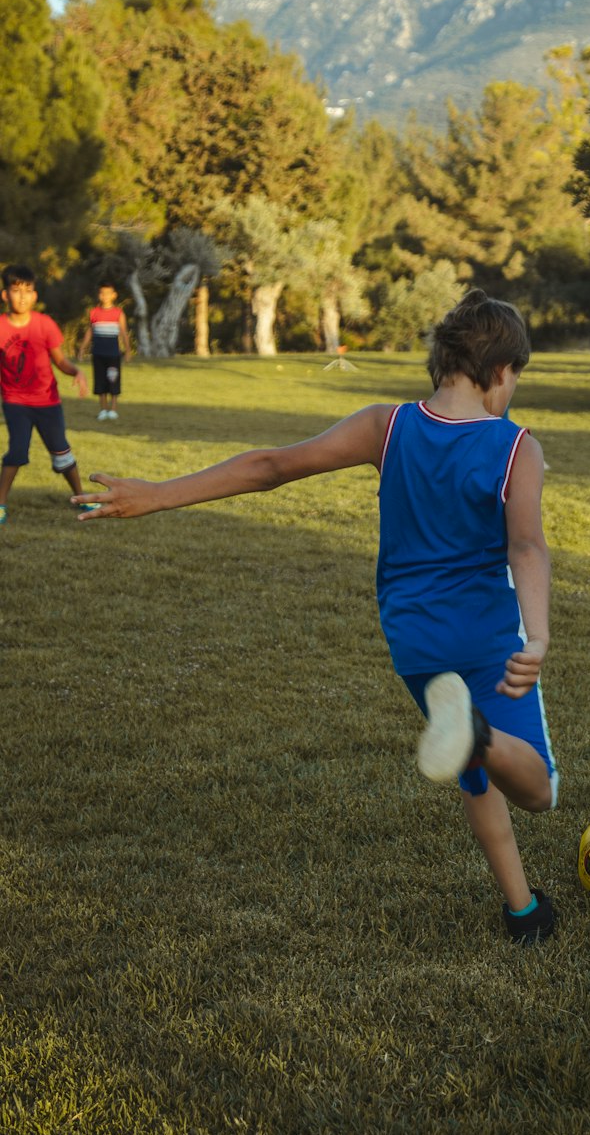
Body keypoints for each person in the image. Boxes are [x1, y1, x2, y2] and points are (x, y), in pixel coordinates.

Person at [75, 289, 559, 944]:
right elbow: (525, 545)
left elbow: (270, 466)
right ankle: (476, 739)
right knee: (534, 790)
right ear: (501, 370)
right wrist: (538, 632)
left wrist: (159, 494)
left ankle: (523, 910)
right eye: (517, 379)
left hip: (413, 641)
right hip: (485, 636)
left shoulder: (385, 426)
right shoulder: (514, 447)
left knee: (478, 781)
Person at [0, 265, 95, 525]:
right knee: (17, 451)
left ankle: (81, 496)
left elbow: (60, 362)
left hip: (47, 402)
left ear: (35, 295)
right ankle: (1, 504)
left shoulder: (45, 325)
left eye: (27, 291)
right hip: (15, 401)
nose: (22, 296)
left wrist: (77, 372)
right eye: (16, 290)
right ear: (5, 294)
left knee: (62, 453)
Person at [79, 279, 131, 419]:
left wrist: (127, 351)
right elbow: (90, 331)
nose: (105, 296)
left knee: (113, 380)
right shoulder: (94, 313)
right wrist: (82, 349)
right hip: (98, 353)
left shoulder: (118, 313)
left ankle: (113, 409)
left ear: (114, 295)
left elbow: (124, 333)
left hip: (113, 354)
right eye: (102, 293)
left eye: (108, 293)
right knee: (100, 381)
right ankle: (103, 409)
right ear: (99, 295)